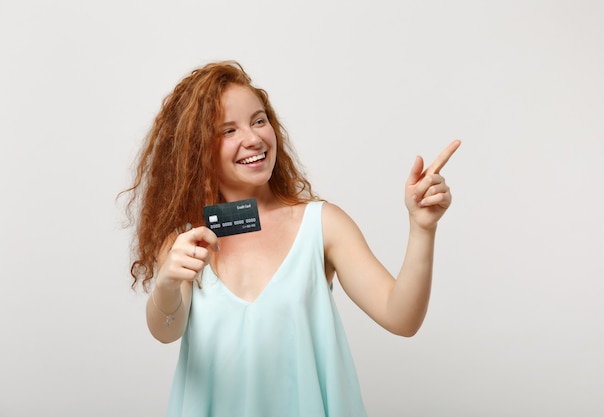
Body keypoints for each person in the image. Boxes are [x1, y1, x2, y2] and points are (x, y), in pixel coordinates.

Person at [123, 60, 460, 417]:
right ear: (196, 150)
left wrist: (422, 228)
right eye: (228, 130)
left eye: (258, 120)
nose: (253, 138)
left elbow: (401, 318)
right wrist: (168, 283)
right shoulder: (186, 243)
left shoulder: (323, 224)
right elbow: (165, 331)